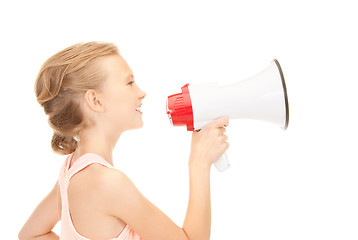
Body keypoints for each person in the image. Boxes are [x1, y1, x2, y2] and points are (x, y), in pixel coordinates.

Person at [18, 42, 229, 240]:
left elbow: (31, 234)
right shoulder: (108, 182)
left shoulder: (70, 171)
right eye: (129, 82)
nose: (141, 93)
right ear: (95, 101)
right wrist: (200, 162)